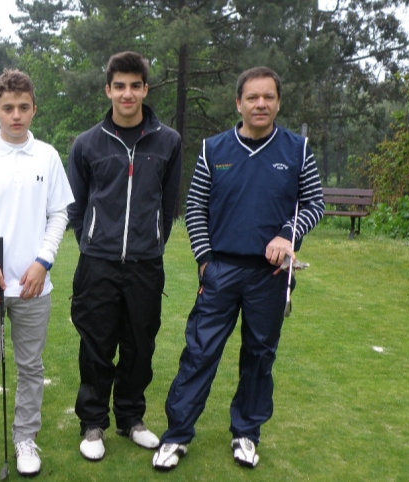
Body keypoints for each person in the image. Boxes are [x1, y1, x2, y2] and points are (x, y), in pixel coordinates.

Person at [152, 66, 325, 471]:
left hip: (271, 274)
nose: (260, 104)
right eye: (252, 97)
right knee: (199, 351)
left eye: (268, 97)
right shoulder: (215, 149)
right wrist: (204, 260)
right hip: (221, 269)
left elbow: (313, 203)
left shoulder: (297, 149)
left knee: (260, 355)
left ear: (278, 102)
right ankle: (177, 435)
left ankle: (246, 432)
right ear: (239, 103)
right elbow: (194, 206)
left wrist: (289, 234)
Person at [0, 69, 74, 479]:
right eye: (8, 108)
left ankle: (25, 437)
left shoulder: (49, 156)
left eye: (23, 107)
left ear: (34, 109)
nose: (16, 115)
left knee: (30, 365)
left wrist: (44, 261)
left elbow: (59, 213)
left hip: (33, 284)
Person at [67, 51, 183, 461]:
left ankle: (131, 417)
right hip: (96, 262)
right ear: (108, 90)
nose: (127, 93)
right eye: (120, 86)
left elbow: (168, 206)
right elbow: (77, 206)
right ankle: (92, 423)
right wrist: (92, 242)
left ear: (146, 89)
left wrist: (150, 243)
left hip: (145, 265)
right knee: (95, 345)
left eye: (135, 85)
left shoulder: (167, 141)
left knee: (139, 345)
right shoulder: (86, 144)